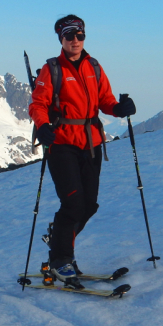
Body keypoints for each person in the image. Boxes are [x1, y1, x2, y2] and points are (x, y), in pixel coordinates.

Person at [28, 15, 136, 289]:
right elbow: (37, 104)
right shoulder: (51, 69)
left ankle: (60, 241)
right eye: (69, 36)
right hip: (62, 143)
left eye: (80, 35)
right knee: (74, 204)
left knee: (89, 205)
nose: (75, 40)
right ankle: (60, 258)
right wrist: (42, 127)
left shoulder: (94, 67)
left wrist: (119, 109)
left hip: (91, 143)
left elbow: (105, 101)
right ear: (61, 40)